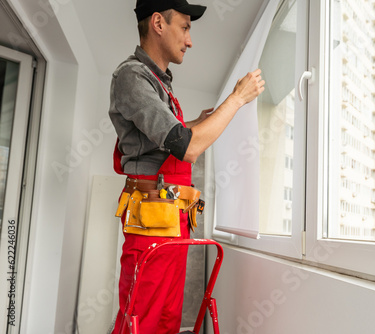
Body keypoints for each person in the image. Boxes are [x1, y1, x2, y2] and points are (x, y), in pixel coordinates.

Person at [108, 0, 265, 333]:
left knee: (167, 320)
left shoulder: (162, 82)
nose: (189, 40)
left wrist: (200, 120)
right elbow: (188, 147)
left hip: (172, 219)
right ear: (158, 24)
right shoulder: (132, 76)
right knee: (141, 322)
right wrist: (237, 98)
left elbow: (165, 139)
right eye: (185, 27)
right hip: (150, 222)